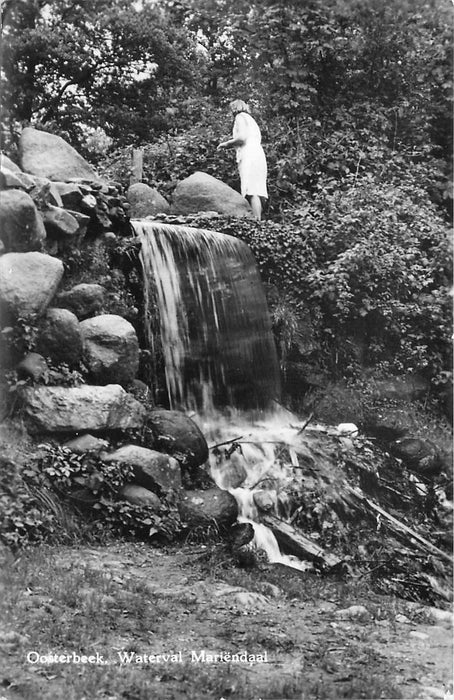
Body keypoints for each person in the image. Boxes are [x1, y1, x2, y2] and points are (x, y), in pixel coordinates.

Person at [217, 99, 268, 220]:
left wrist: (226, 144)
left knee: (251, 189)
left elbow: (242, 138)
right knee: (258, 189)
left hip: (249, 154)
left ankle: (257, 221)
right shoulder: (251, 120)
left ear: (235, 108)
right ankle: (258, 219)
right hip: (258, 154)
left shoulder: (240, 117)